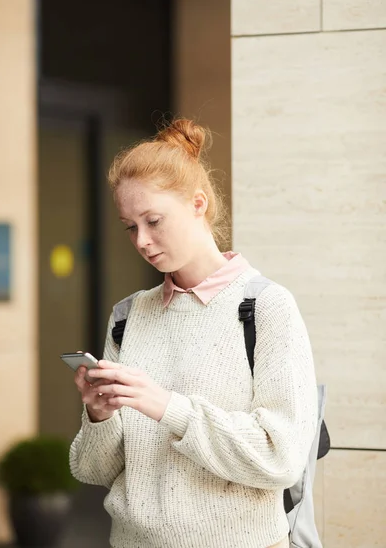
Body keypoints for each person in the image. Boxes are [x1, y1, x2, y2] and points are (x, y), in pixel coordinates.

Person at [69, 118, 318, 548]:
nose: (142, 241)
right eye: (131, 226)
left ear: (197, 204)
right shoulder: (128, 316)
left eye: (153, 220)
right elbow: (92, 471)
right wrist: (99, 415)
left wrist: (167, 407)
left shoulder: (266, 307)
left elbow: (282, 458)